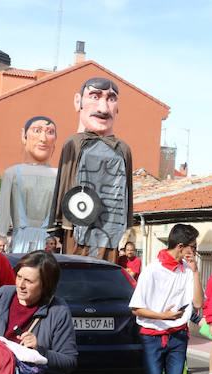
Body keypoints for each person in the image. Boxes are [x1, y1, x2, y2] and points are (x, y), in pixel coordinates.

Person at [130, 224, 204, 374]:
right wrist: (163, 316)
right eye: (193, 247)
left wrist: (195, 272)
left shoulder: (187, 270)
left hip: (178, 337)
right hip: (152, 337)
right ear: (181, 246)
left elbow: (198, 304)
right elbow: (136, 308)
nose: (195, 251)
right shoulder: (152, 270)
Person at [53, 77, 133, 262]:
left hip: (110, 230)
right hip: (77, 225)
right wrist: (56, 227)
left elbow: (127, 191)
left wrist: (125, 223)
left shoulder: (123, 149)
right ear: (78, 102)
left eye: (111, 99)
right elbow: (63, 185)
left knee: (104, 272)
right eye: (95, 97)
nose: (103, 108)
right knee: (77, 271)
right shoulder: (74, 143)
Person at [0, 116, 59, 253]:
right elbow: (3, 210)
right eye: (37, 131)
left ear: (55, 140)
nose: (43, 138)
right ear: (23, 136)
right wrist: (1, 236)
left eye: (49, 132)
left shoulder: (59, 176)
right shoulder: (12, 173)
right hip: (20, 242)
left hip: (47, 243)